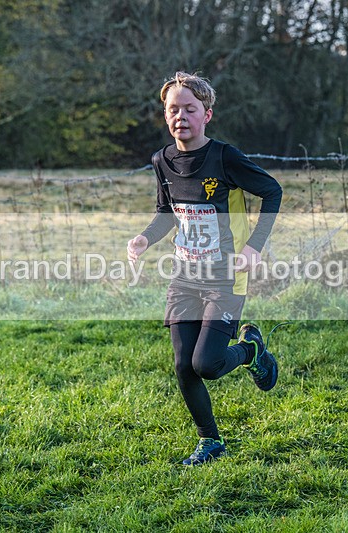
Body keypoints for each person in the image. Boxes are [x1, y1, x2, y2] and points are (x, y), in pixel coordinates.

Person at [127, 72, 283, 465]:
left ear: (206, 115)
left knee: (207, 365)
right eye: (173, 109)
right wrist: (145, 238)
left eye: (189, 109)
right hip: (185, 277)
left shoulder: (224, 158)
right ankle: (210, 441)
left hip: (227, 276)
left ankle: (251, 350)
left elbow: (272, 191)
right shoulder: (162, 161)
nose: (181, 116)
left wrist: (254, 246)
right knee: (183, 365)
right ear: (165, 116)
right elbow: (166, 213)